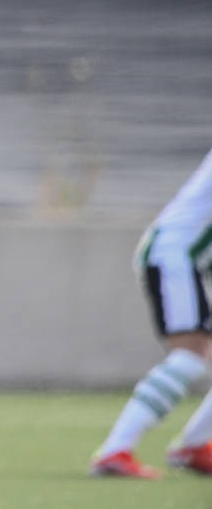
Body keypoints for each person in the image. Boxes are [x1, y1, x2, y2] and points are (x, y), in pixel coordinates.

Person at [90, 147, 212, 479]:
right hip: (177, 253)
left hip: (193, 256)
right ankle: (116, 450)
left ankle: (195, 445)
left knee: (193, 355)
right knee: (188, 357)